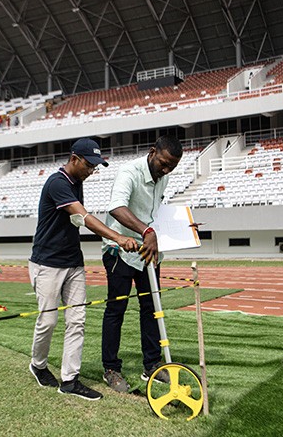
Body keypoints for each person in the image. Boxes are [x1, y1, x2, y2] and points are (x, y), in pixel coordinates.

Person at [28, 138, 139, 401]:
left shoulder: (77, 182)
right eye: (89, 165)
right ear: (74, 159)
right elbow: (84, 218)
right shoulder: (57, 183)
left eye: (95, 167)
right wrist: (118, 238)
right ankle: (38, 365)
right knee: (48, 321)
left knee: (77, 321)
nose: (91, 171)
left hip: (73, 263)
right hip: (47, 263)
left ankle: (70, 380)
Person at [100, 135, 183, 392]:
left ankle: (152, 365)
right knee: (116, 309)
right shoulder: (129, 172)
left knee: (151, 308)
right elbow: (116, 207)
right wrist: (146, 231)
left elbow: (154, 212)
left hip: (148, 251)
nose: (166, 170)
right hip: (120, 250)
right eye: (163, 164)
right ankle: (111, 368)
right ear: (152, 151)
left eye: (172, 167)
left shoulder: (163, 177)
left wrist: (182, 227)